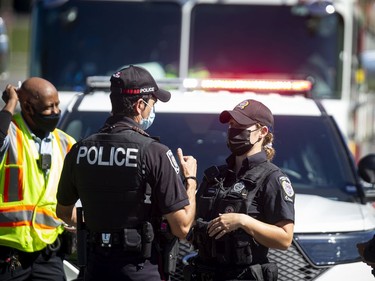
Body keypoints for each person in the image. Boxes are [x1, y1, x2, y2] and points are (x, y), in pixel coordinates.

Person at [55, 65, 197, 281]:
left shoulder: (80, 150)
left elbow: (64, 212)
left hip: (95, 270)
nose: (152, 109)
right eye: (152, 103)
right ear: (140, 105)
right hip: (140, 271)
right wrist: (191, 181)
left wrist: (96, 225)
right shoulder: (155, 153)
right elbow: (183, 227)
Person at [186, 99, 295, 281]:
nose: (233, 130)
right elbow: (190, 226)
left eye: (241, 125)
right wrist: (189, 181)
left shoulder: (272, 178)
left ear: (262, 132)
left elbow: (284, 239)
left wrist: (243, 221)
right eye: (230, 125)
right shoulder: (215, 176)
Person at [0, 78, 76, 280]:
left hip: (48, 252)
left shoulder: (66, 143)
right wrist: (10, 104)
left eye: (57, 105)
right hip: (8, 254)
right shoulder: (9, 133)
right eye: (49, 107)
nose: (56, 112)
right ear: (28, 107)